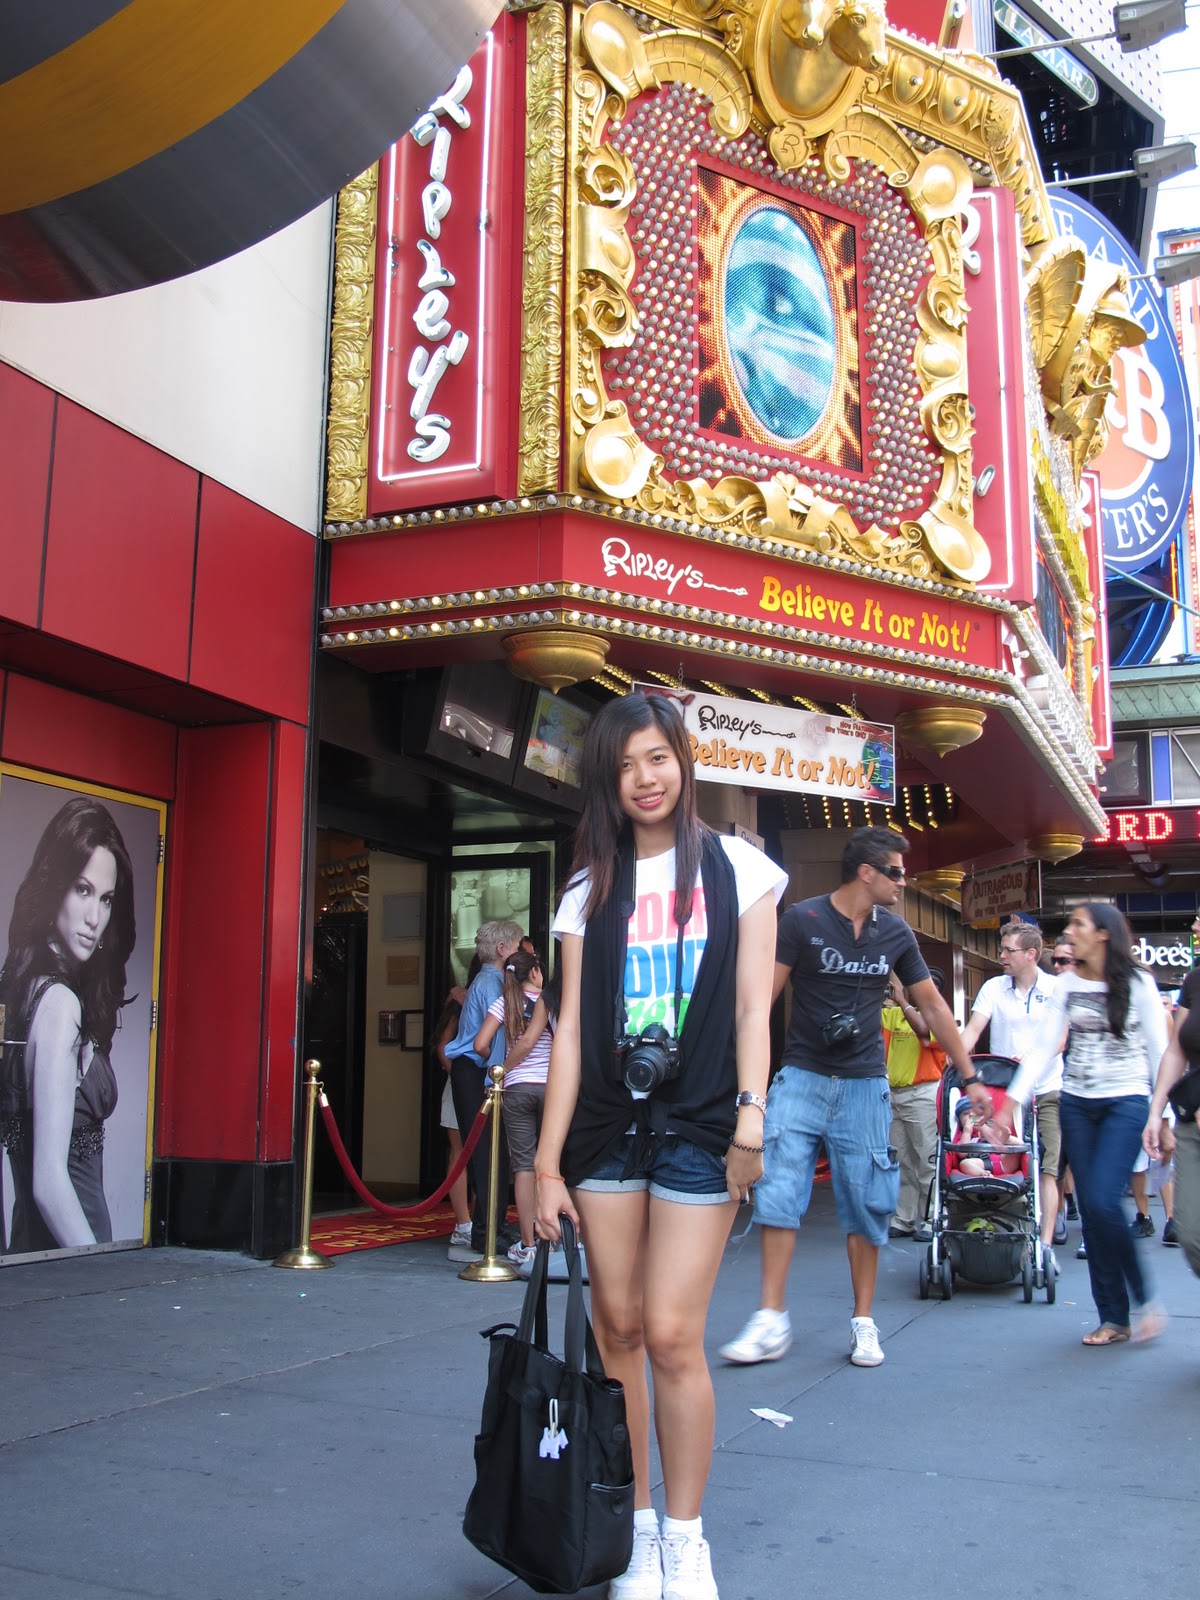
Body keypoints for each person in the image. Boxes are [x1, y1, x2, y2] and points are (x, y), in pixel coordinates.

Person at [533, 691, 785, 1600]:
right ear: (606, 780)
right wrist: (544, 1164)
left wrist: (752, 1117)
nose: (644, 779)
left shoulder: (741, 870)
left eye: (657, 758)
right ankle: (636, 1530)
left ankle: (687, 1536)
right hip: (606, 1129)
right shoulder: (586, 890)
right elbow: (567, 1033)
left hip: (703, 1122)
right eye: (625, 765)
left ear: (683, 760)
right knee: (620, 1331)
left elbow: (753, 1007)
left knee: (675, 1334)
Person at [720, 826, 989, 1372]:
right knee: (778, 1192)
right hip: (801, 1076)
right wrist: (740, 1078)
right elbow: (759, 1001)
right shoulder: (802, 920)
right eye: (896, 872)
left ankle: (864, 1320)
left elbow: (934, 1006)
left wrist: (970, 1075)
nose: (903, 881)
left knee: (868, 1204)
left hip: (866, 1084)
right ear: (867, 872)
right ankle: (770, 1317)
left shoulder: (896, 932)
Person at [998, 904, 1167, 1346]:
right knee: (1092, 1210)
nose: (1069, 931)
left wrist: (1161, 1115)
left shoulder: (1138, 983)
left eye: (1078, 924)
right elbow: (1044, 1047)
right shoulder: (1067, 984)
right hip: (1076, 1102)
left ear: (1103, 934)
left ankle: (1145, 1298)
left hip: (1126, 1101)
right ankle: (1114, 1318)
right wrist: (1011, 1099)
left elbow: (1160, 1051)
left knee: (1104, 1200)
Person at [0, 796, 136, 1251]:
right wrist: (100, 1269)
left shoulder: (24, 990)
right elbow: (49, 1183)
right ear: (54, 886)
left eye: (106, 899)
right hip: (71, 1254)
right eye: (81, 890)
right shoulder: (59, 1005)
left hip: (35, 1250)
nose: (94, 918)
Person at [960, 922, 1065, 1272]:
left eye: (1008, 950)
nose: (1001, 955)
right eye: (1001, 949)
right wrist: (958, 1061)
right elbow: (974, 1029)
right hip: (1003, 1093)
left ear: (1031, 954)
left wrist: (1032, 1059)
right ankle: (1000, 1223)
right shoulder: (993, 987)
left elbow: (1060, 1040)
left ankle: (1045, 1245)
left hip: (1046, 1088)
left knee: (1047, 1167)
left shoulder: (1055, 989)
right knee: (1003, 1159)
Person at [444, 918, 524, 1259]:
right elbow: (491, 1039)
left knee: (490, 1153)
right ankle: (486, 1231)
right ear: (503, 949)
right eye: (517, 946)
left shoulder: (488, 980)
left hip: (475, 1072)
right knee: (487, 1154)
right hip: (477, 1072)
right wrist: (496, 1078)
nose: (520, 953)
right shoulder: (492, 983)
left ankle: (493, 1226)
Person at [473, 948, 553, 1267]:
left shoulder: (503, 1003)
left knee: (523, 1166)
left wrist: (501, 1067)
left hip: (517, 1088)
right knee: (550, 1162)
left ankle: (528, 1244)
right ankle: (553, 1237)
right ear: (534, 972)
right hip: (551, 1087)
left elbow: (480, 1044)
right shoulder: (550, 1000)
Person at [1144, 917, 1200, 1281]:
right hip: (1192, 1122)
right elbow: (1177, 1049)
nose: (1194, 927)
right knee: (1191, 1233)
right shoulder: (1194, 981)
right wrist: (1157, 1112)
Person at [882, 967, 946, 1241]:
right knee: (901, 1161)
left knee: (927, 1160)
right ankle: (904, 1218)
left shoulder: (939, 1017)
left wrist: (902, 1000)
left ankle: (932, 1218)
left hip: (923, 1094)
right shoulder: (893, 1015)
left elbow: (922, 1030)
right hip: (894, 1094)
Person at [431, 988, 472, 1251]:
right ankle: (464, 1224)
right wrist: (459, 1078)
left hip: (484, 1086)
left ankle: (482, 1220)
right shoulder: (460, 1002)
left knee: (484, 1155)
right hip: (462, 1086)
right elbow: (443, 1047)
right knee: (460, 1152)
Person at [949, 1100, 1025, 1177]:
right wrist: (967, 1132)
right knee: (964, 1164)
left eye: (976, 1112)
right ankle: (983, 1174)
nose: (971, 1115)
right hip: (981, 1164)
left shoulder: (990, 1125)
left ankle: (1005, 1138)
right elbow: (962, 1154)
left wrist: (984, 1128)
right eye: (966, 1113)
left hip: (1003, 1160)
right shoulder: (962, 1135)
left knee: (1019, 1143)